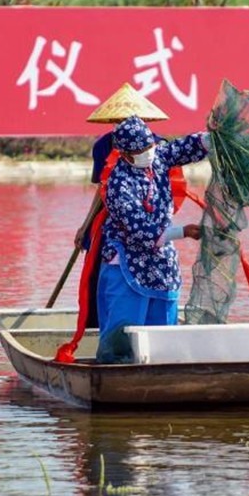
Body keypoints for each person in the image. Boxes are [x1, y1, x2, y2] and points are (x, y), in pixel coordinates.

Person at [96, 116, 209, 363]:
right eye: (140, 151)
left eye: (149, 147)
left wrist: (213, 140)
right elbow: (140, 231)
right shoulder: (119, 184)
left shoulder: (157, 159)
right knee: (124, 329)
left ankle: (161, 369)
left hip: (160, 262)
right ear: (125, 154)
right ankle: (117, 370)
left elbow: (183, 148)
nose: (148, 153)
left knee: (162, 331)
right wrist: (184, 232)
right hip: (127, 260)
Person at [74, 84, 169, 328]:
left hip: (151, 224)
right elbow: (102, 189)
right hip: (113, 224)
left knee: (154, 279)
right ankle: (97, 329)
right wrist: (85, 226)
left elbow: (167, 192)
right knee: (99, 278)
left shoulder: (158, 146)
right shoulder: (104, 145)